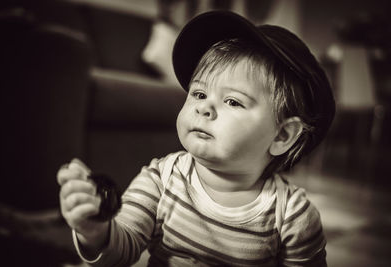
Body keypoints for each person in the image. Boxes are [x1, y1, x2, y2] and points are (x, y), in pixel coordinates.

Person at [57, 11, 335, 266]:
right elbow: (124, 247)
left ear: (283, 136)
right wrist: (97, 231)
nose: (204, 107)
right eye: (199, 94)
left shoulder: (292, 216)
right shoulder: (161, 178)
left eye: (233, 101)